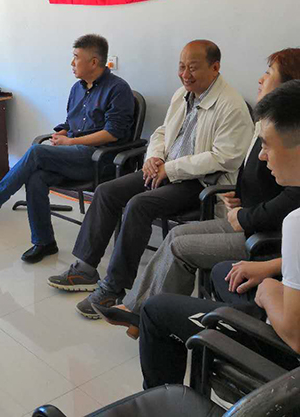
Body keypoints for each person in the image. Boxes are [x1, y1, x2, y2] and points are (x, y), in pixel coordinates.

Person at [95, 49, 300, 337]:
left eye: (269, 74)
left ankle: (150, 317)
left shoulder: (273, 129)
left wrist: (244, 215)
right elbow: (163, 132)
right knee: (173, 234)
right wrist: (239, 195)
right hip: (245, 217)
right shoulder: (261, 121)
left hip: (260, 233)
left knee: (174, 241)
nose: (260, 79)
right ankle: (137, 310)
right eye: (181, 66)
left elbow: (290, 197)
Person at [48, 40, 254, 318]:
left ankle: (113, 288)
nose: (185, 75)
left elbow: (223, 158)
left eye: (193, 68)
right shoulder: (183, 94)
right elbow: (162, 132)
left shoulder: (231, 105)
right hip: (164, 170)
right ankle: (85, 269)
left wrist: (171, 169)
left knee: (139, 205)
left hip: (200, 183)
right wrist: (154, 158)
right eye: (181, 67)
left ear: (215, 67)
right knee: (107, 192)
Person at [137, 79, 300, 389]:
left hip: (286, 356)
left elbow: (295, 335)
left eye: (267, 144)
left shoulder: (296, 222)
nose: (262, 155)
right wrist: (270, 268)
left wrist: (269, 291)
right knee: (224, 273)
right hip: (274, 274)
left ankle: (171, 399)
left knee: (156, 311)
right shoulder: (180, 97)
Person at [0, 34, 136, 262]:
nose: (72, 63)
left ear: (93, 62)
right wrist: (64, 132)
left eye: (76, 58)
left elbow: (113, 133)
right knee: (36, 178)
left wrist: (71, 142)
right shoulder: (77, 88)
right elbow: (72, 122)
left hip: (100, 160)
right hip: (75, 157)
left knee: (37, 151)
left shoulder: (118, 89)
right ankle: (44, 242)